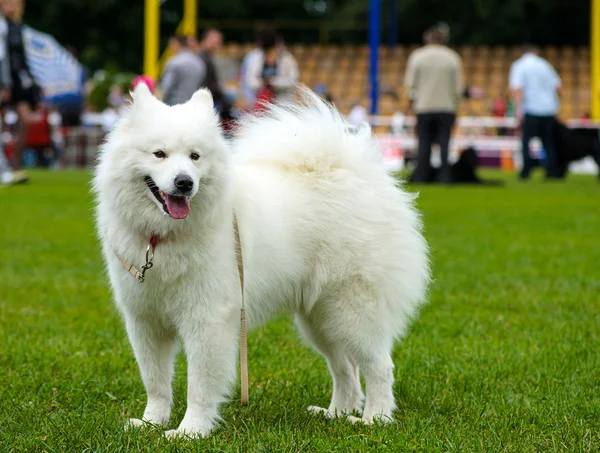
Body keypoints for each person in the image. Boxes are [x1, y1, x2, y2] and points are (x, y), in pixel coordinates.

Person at [404, 25, 463, 183]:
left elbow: (411, 85)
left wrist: (409, 107)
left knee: (424, 144)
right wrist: (457, 109)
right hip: (446, 107)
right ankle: (445, 177)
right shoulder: (452, 57)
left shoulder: (417, 56)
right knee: (444, 144)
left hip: (424, 107)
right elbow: (458, 88)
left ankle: (421, 177)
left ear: (427, 39)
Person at [1, 0, 40, 184]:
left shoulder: (17, 26)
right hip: (5, 78)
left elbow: (22, 57)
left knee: (26, 120)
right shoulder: (2, 26)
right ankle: (4, 165)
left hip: (17, 81)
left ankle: (15, 163)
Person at [509, 44, 561, 180]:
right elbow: (558, 87)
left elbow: (517, 89)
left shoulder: (519, 65)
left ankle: (526, 171)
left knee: (526, 141)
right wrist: (555, 105)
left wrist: (518, 110)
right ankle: (552, 171)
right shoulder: (545, 65)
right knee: (548, 142)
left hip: (531, 109)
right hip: (548, 110)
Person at [245, 28, 298, 109]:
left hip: (283, 104)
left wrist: (273, 82)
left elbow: (292, 80)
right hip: (260, 104)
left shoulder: (287, 58)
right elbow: (250, 81)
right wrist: (262, 85)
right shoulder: (254, 57)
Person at [160, 35, 205, 106]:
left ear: (177, 44)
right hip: (192, 103)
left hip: (173, 103)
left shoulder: (174, 62)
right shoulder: (199, 62)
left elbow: (166, 86)